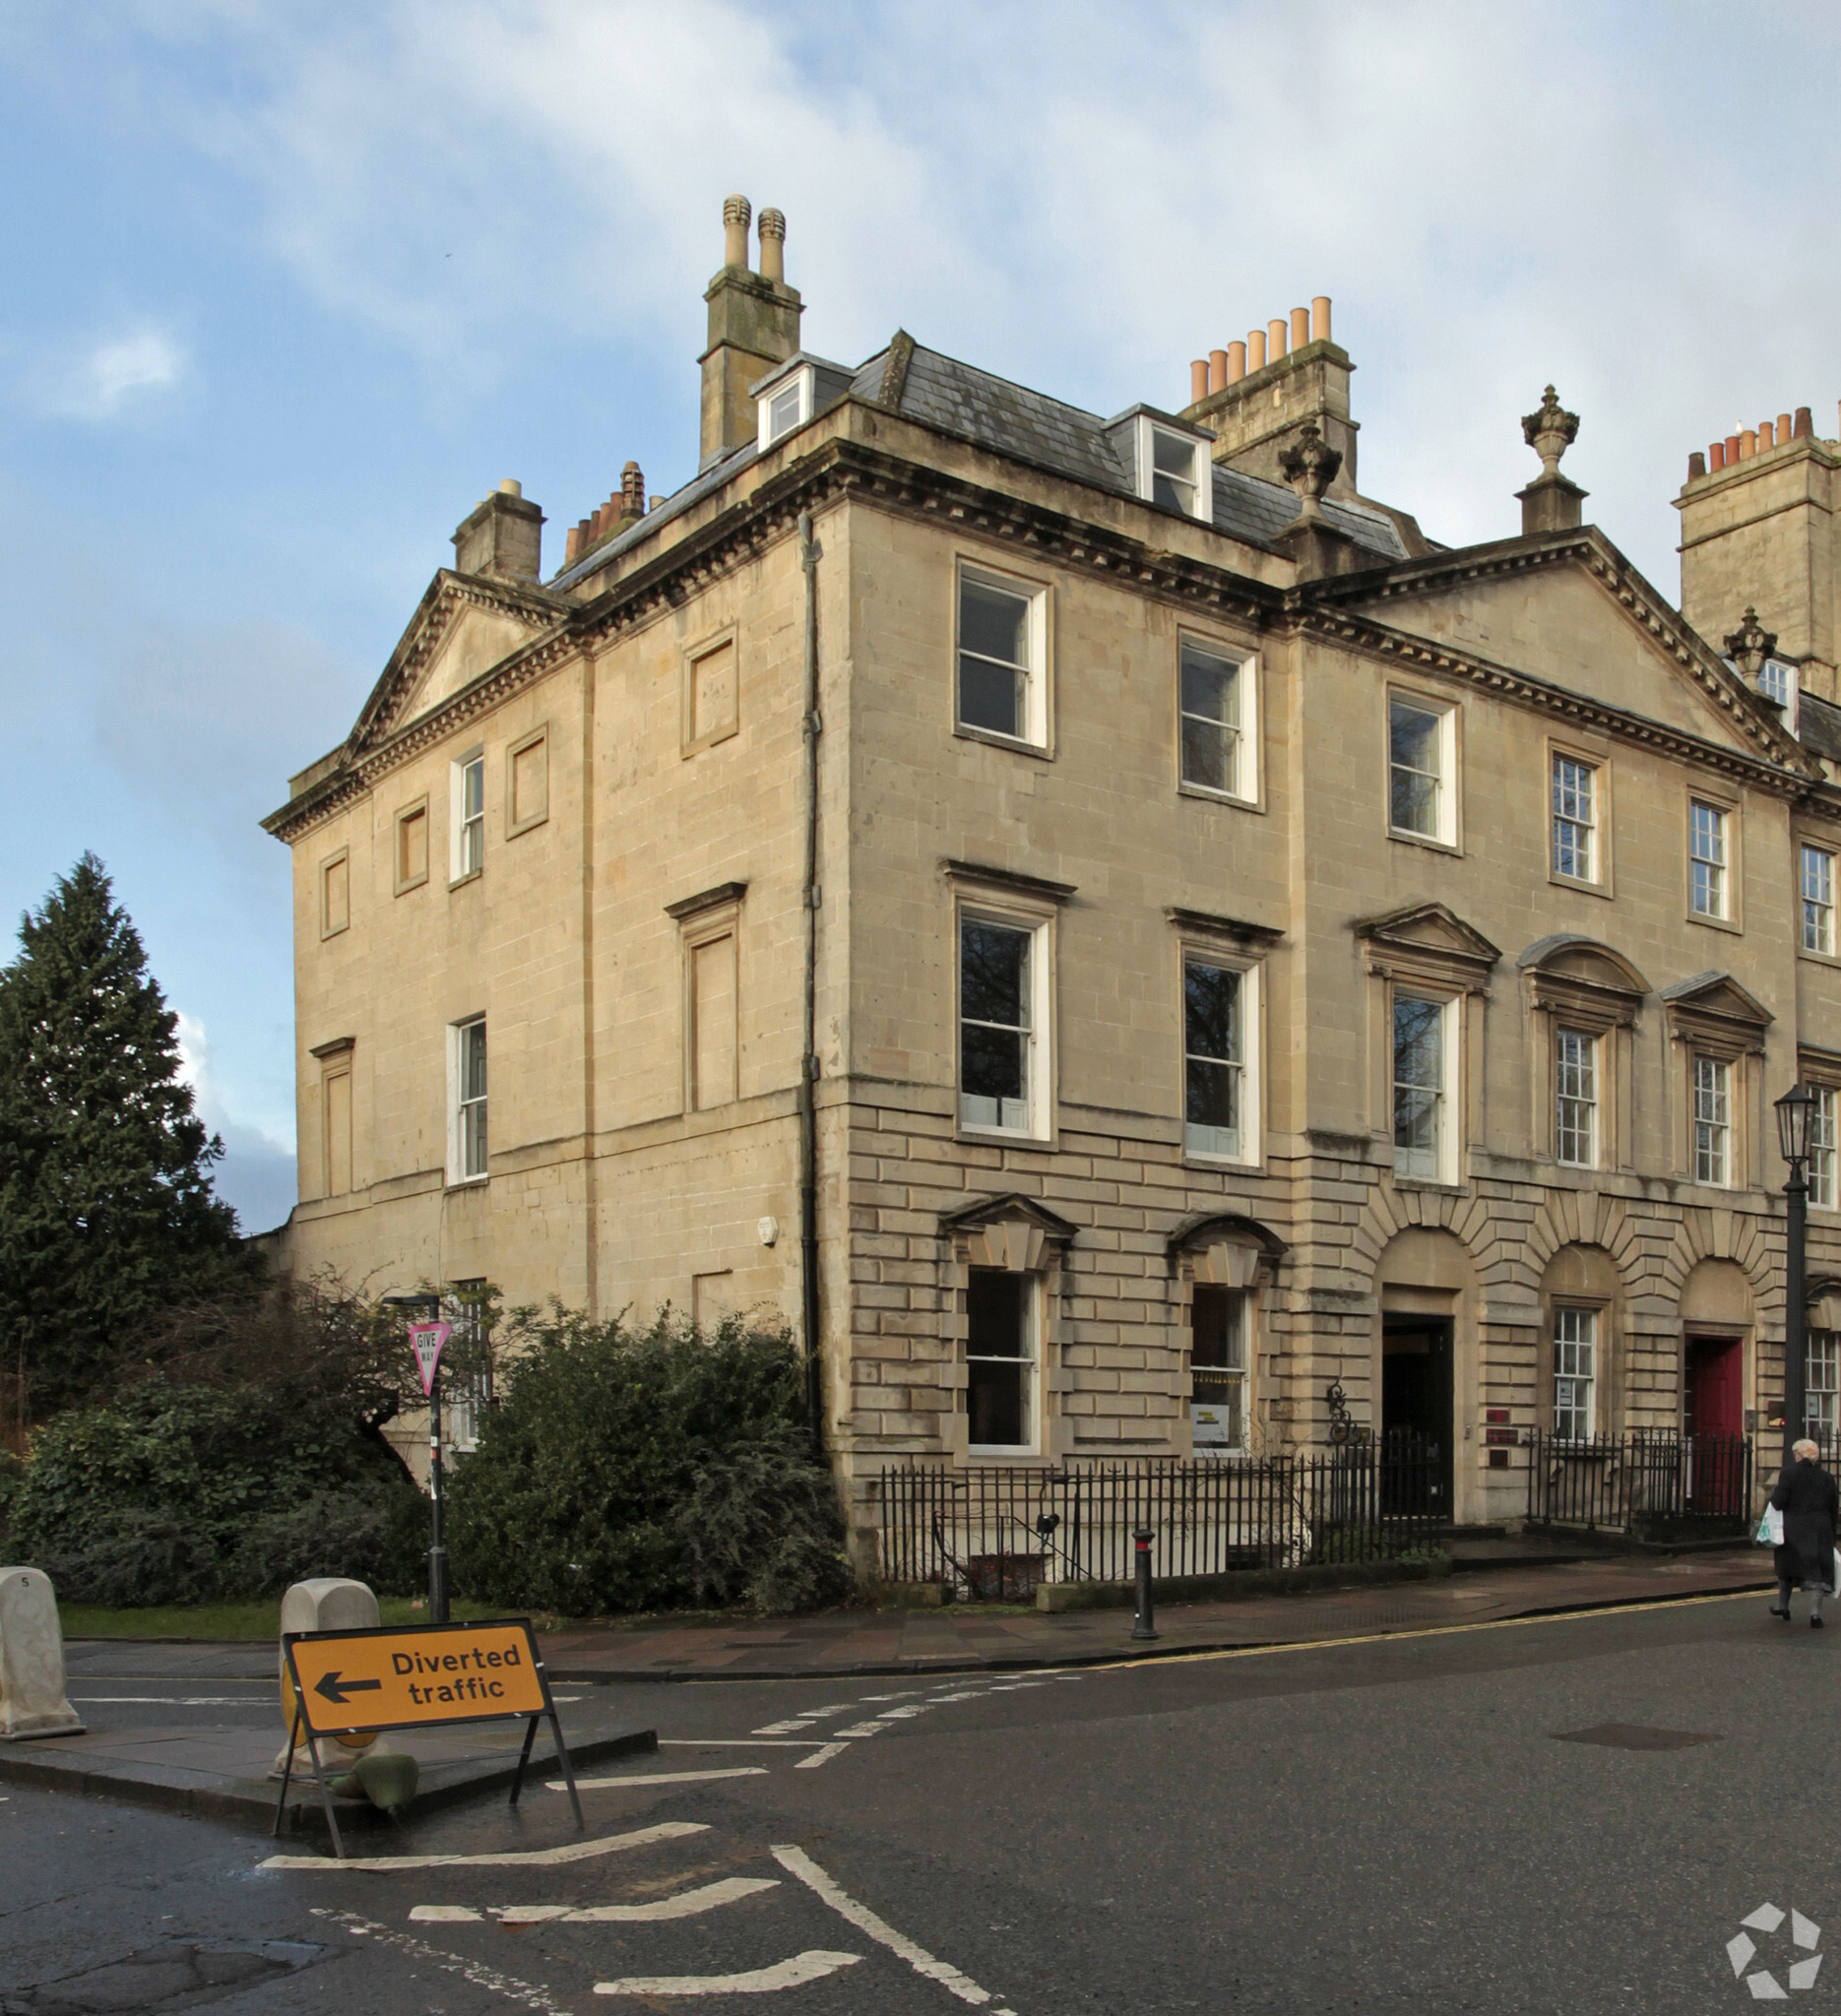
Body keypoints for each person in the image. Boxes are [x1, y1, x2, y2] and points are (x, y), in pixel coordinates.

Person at [1769, 1437, 1839, 1627]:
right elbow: (1834, 1508)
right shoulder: (1827, 1477)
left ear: (1799, 1455)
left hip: (1794, 1529)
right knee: (1818, 1573)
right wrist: (1831, 1535)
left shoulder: (1789, 1474)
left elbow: (1778, 1501)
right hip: (1821, 1530)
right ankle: (1815, 1615)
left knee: (1787, 1569)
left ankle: (1783, 1606)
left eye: (1795, 1454)